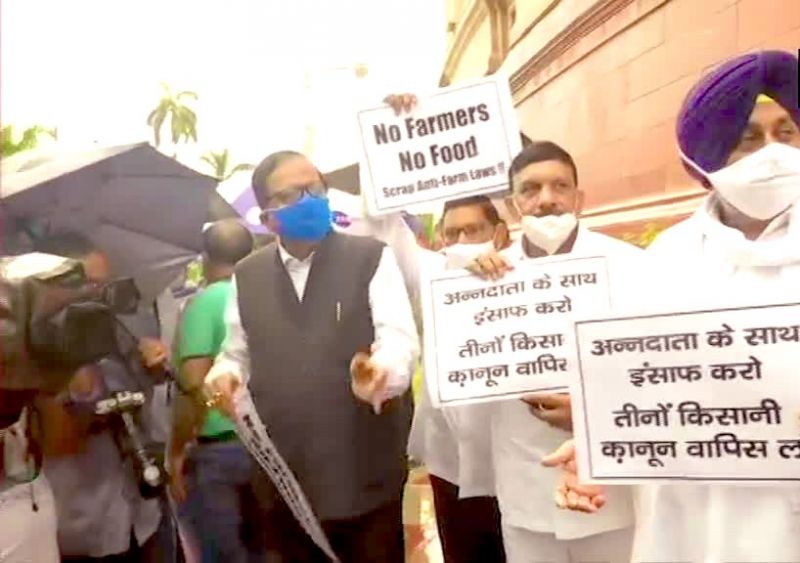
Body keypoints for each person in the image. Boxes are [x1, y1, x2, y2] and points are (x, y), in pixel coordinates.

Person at [543, 49, 800, 563]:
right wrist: (600, 448)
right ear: (707, 157)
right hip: (693, 525)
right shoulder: (666, 260)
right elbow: (641, 389)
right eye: (747, 138)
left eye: (786, 132)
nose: (771, 152)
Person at [204, 150, 419, 562]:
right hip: (286, 481)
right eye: (293, 194)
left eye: (315, 188)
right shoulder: (247, 277)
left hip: (365, 472)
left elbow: (399, 341)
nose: (311, 200)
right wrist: (225, 374)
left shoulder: (370, 256)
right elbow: (235, 353)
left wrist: (382, 372)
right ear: (267, 218)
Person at [469, 141, 638, 563]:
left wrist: (592, 414)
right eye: (531, 189)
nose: (546, 199)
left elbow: (657, 375)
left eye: (559, 185)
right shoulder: (481, 280)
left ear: (579, 197)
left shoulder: (630, 266)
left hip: (611, 494)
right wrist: (465, 291)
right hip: (526, 492)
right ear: (512, 206)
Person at [33, 233, 166, 562]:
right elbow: (59, 444)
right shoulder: (30, 354)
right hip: (81, 527)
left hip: (140, 514)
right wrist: (76, 382)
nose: (102, 297)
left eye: (105, 286)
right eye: (90, 286)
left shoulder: (115, 332)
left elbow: (141, 411)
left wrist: (152, 370)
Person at [407, 195, 510, 563]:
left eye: (474, 230)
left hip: (510, 461)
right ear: (440, 242)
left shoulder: (525, 277)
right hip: (448, 457)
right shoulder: (429, 279)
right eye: (453, 233)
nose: (463, 242)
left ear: (498, 234)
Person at [168, 220, 256, 563]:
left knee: (221, 552)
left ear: (205, 257)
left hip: (220, 451)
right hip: (268, 447)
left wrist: (176, 450)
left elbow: (194, 382)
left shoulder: (204, 304)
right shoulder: (264, 296)